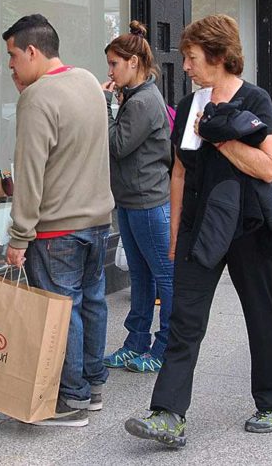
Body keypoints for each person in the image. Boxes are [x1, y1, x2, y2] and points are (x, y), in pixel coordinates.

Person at [124, 14, 272, 448]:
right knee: (184, 320)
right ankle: (168, 414)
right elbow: (178, 172)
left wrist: (220, 138)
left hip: (247, 227)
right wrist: (176, 234)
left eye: (192, 57)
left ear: (218, 56)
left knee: (260, 314)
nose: (186, 65)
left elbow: (269, 167)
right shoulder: (189, 104)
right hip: (199, 228)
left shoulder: (255, 101)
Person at [2, 14, 115, 427]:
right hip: (98, 220)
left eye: (13, 56)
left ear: (32, 51)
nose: (10, 66)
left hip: (57, 229)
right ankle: (93, 383)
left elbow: (29, 175)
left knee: (61, 312)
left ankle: (72, 400)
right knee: (92, 303)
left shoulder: (37, 98)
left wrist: (19, 237)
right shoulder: (87, 80)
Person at [100, 21, 173, 374]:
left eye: (114, 63)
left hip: (148, 202)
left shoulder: (143, 101)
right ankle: (135, 342)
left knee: (164, 276)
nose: (110, 71)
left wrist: (106, 106)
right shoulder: (134, 97)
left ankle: (165, 346)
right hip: (132, 200)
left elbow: (116, 145)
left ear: (133, 63)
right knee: (142, 277)